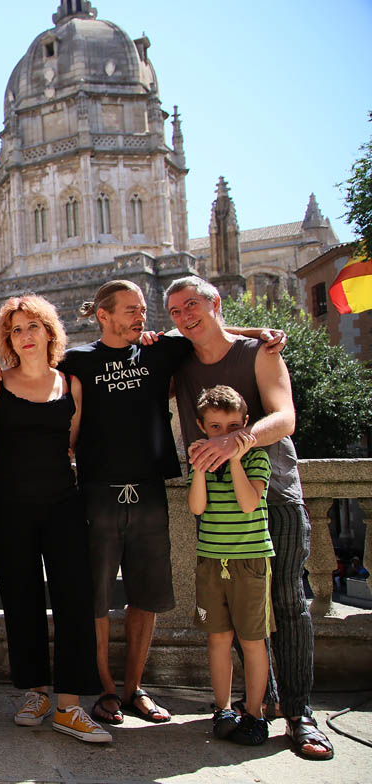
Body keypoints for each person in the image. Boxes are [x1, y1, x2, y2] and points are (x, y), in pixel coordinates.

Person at [0, 280, 281, 726]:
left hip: (145, 488)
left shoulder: (159, 351)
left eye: (143, 309)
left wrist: (259, 333)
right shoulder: (76, 362)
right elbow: (16, 397)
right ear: (103, 315)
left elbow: (208, 332)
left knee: (142, 596)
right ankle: (99, 690)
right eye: (131, 310)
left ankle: (131, 689)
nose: (143, 317)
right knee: (92, 600)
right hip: (93, 492)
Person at [166, 275, 334, 760]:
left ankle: (300, 713)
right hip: (218, 507)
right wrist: (251, 326)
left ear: (214, 302)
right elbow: (187, 333)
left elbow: (284, 417)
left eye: (192, 305)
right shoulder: (179, 358)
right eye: (175, 311)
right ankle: (264, 701)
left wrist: (235, 440)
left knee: (285, 600)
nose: (184, 316)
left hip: (275, 492)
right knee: (238, 614)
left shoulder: (260, 353)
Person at [0, 295, 110, 743]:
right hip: (7, 505)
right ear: (7, 339)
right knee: (21, 600)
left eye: (33, 326)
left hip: (62, 504)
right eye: (16, 329)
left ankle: (70, 706)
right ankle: (35, 691)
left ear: (49, 331)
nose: (25, 335)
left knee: (74, 599)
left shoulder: (70, 384)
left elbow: (71, 442)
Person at [186, 385, 274, 746]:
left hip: (250, 561)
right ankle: (222, 709)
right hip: (211, 559)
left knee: (253, 641)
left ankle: (256, 712)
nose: (225, 435)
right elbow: (196, 507)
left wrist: (235, 457)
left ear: (246, 424)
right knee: (218, 639)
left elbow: (250, 502)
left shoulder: (257, 458)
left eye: (234, 426)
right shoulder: (202, 463)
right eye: (216, 428)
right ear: (202, 427)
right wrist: (201, 469)